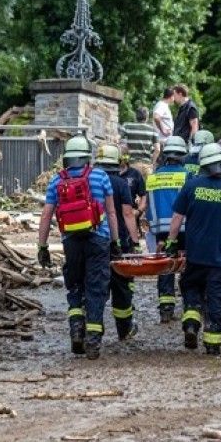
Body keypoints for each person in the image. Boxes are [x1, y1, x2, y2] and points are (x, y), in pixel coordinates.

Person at [166, 144, 221, 356]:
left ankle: (190, 323)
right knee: (217, 299)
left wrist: (171, 241)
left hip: (195, 256)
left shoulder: (191, 186)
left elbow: (177, 218)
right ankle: (213, 344)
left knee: (191, 289)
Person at [37, 137, 122, 359]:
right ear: (86, 157)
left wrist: (42, 246)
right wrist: (116, 242)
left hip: (70, 241)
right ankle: (93, 340)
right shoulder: (100, 176)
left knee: (74, 285)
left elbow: (46, 214)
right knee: (96, 288)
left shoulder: (56, 181)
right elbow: (112, 213)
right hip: (98, 239)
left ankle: (76, 328)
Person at [94, 144, 141, 340]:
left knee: (96, 285)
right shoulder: (120, 183)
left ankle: (94, 329)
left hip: (95, 240)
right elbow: (128, 214)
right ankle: (124, 330)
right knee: (121, 286)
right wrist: (135, 241)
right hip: (119, 241)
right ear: (116, 163)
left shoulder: (92, 181)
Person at [143, 136, 191, 322]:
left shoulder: (153, 177)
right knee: (186, 265)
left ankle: (166, 309)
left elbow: (149, 204)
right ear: (181, 155)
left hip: (159, 230)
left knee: (165, 267)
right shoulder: (187, 176)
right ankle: (190, 306)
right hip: (184, 228)